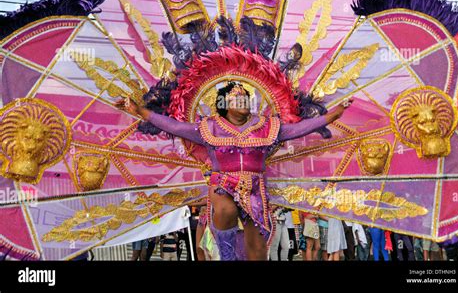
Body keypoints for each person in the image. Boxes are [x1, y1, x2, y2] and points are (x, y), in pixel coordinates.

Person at [116, 83, 352, 260]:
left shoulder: (267, 126)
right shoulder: (209, 128)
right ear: (224, 104)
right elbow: (173, 125)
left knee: (258, 251)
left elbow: (301, 128)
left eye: (246, 98)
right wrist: (139, 111)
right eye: (236, 98)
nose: (243, 101)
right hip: (222, 186)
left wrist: (333, 114)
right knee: (226, 208)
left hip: (256, 191)